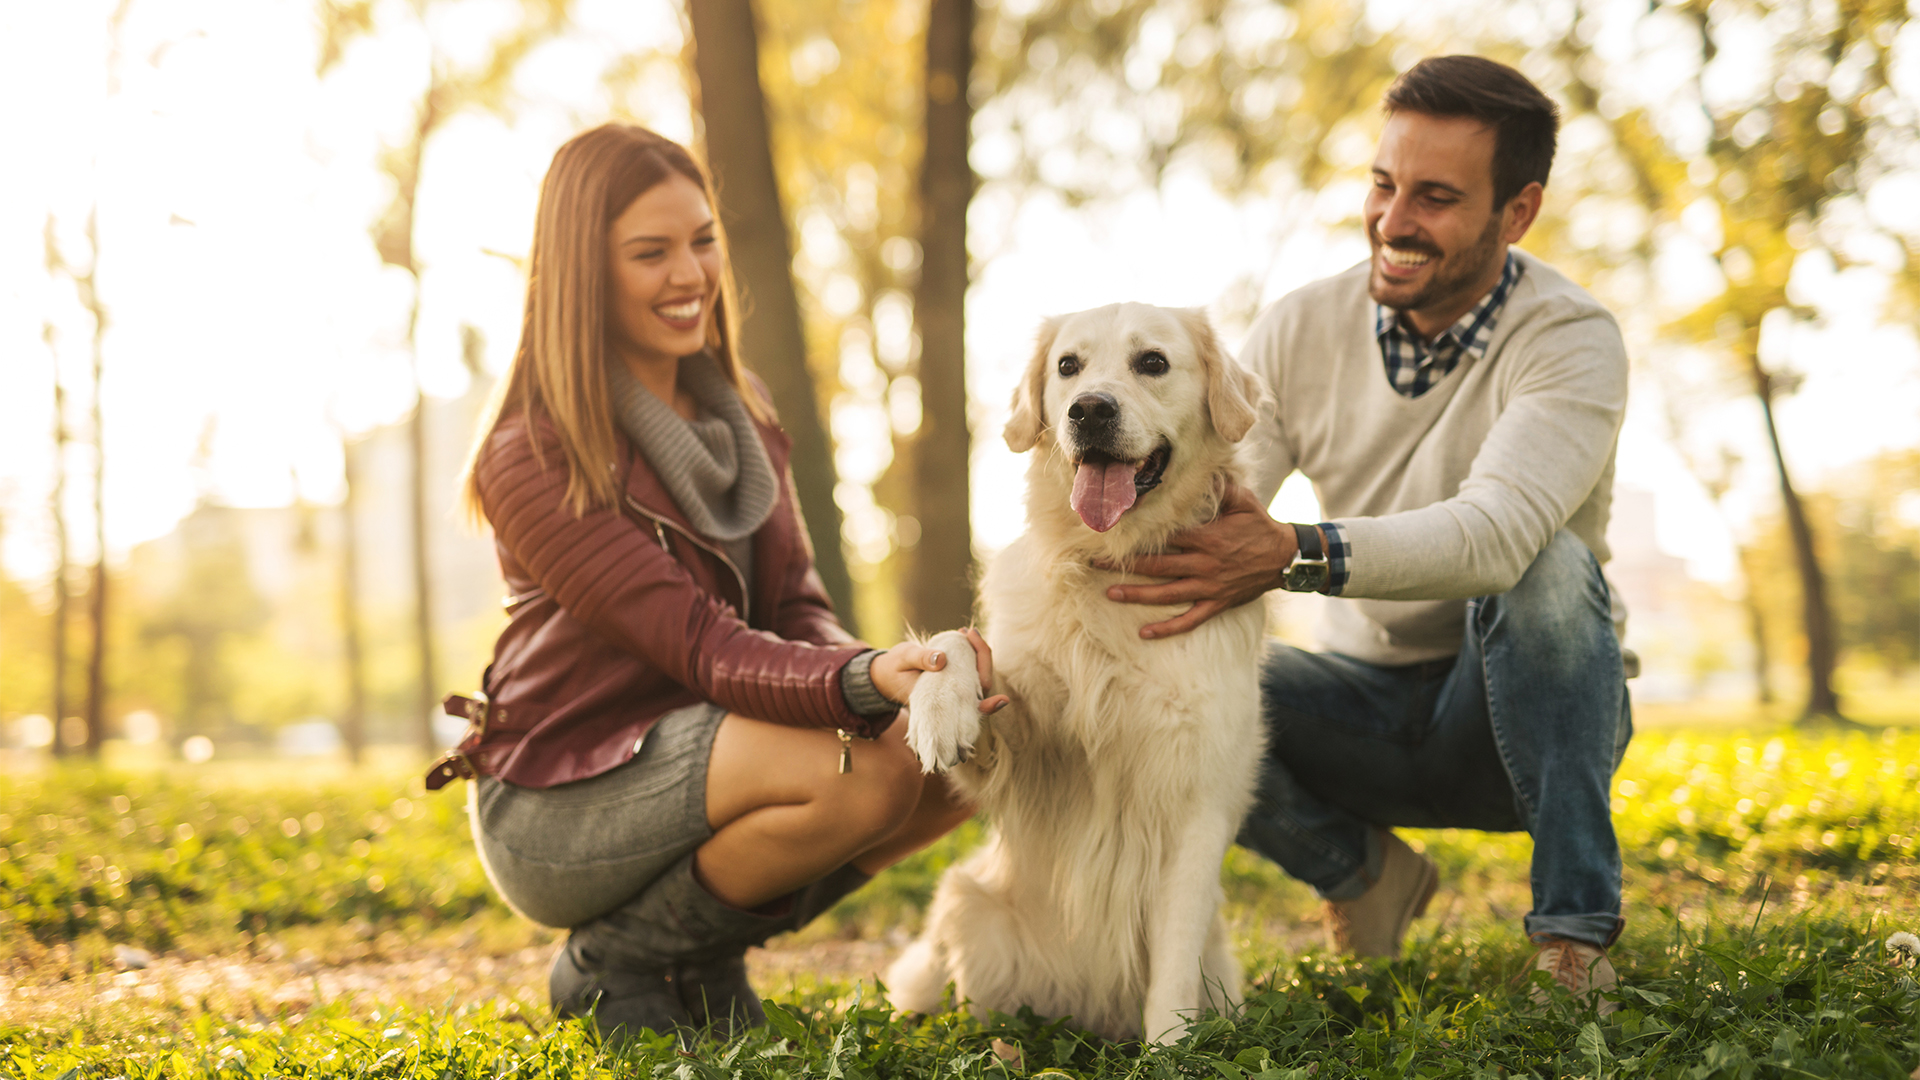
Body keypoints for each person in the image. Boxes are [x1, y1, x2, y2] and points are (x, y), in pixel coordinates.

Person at [431, 124, 1006, 1042]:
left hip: (713, 752)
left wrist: (905, 676)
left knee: (946, 758)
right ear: (583, 271)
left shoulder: (748, 419)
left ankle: (691, 954)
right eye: (650, 252)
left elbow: (796, 610)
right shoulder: (533, 455)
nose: (690, 274)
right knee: (862, 775)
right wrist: (860, 686)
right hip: (562, 792)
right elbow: (698, 642)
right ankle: (617, 960)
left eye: (702, 240)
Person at [1103, 56, 1632, 1010]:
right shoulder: (1301, 326)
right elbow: (1218, 507)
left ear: (1517, 212)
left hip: (1512, 717)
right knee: (1168, 670)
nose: (1393, 222)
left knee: (1551, 566)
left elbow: (1497, 535)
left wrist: (1296, 553)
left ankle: (1574, 937)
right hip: (1353, 710)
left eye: (1435, 197)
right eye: (1384, 185)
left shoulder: (1570, 338)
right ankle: (1360, 874)